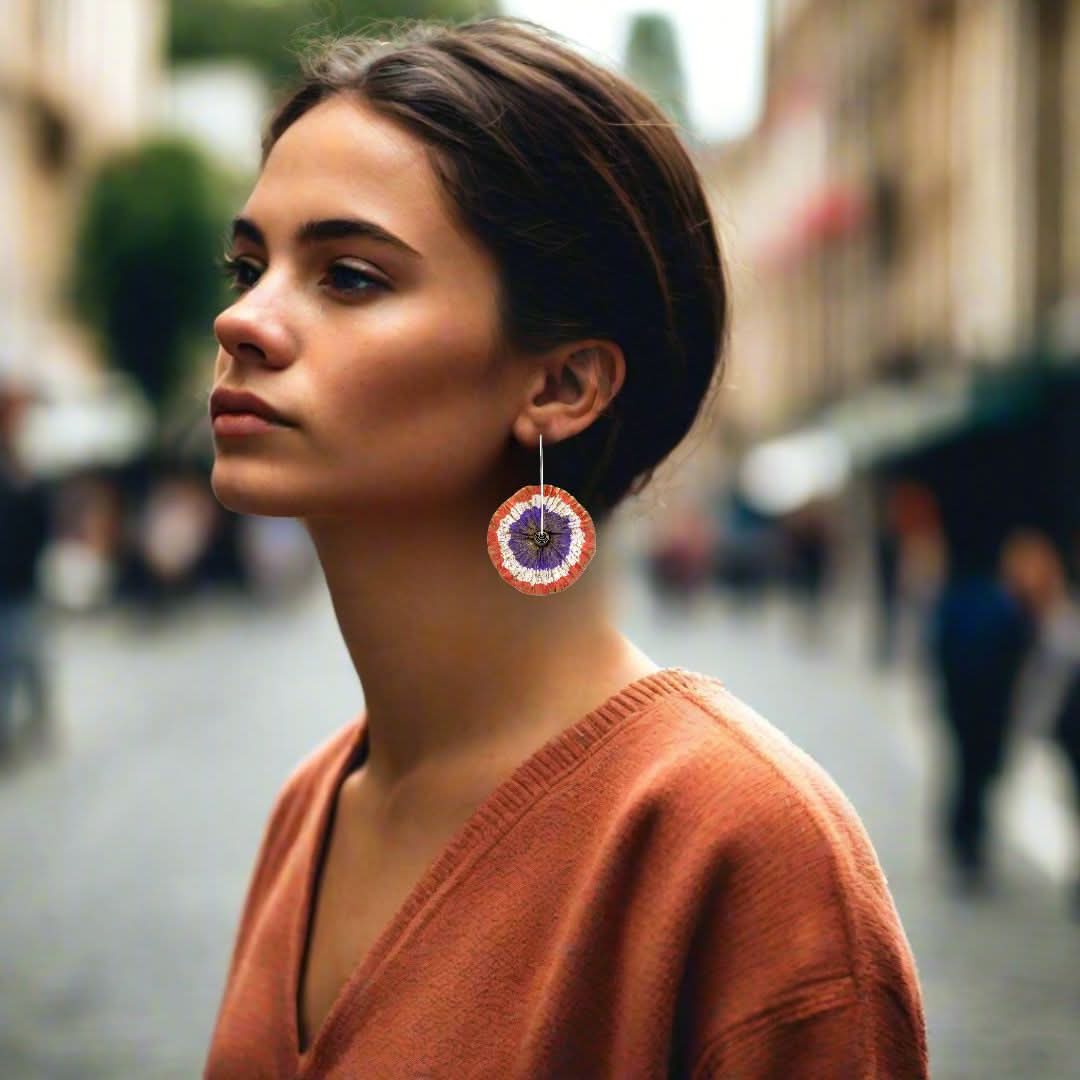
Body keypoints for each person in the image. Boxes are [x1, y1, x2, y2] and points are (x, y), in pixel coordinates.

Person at [203, 17, 928, 1078]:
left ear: (562, 384)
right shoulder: (309, 807)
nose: (242, 322)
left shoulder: (741, 849)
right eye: (247, 266)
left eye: (349, 275)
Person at [0, 372, 53, 758]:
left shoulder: (22, 463)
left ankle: (35, 725)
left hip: (22, 582)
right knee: (12, 659)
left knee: (29, 657)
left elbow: (38, 519)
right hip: (10, 582)